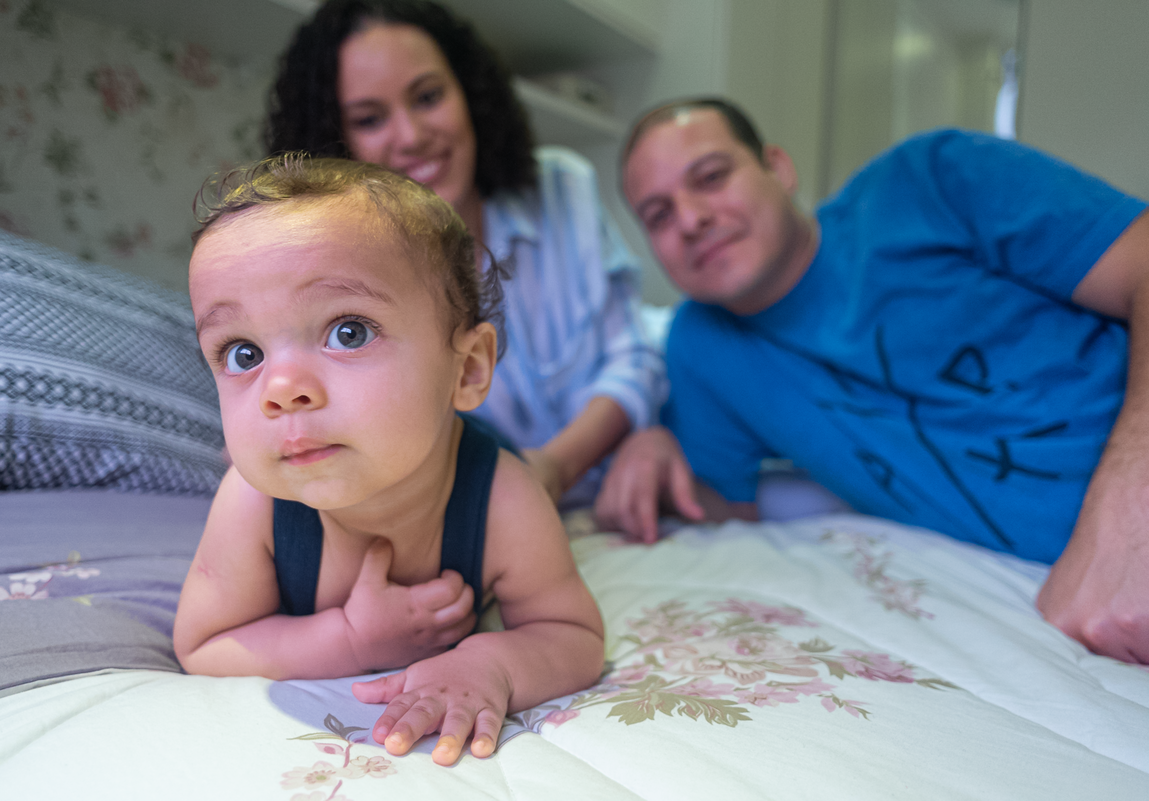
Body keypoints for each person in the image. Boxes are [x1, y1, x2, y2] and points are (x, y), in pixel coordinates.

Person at [597, 97, 1149, 665]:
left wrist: (1128, 517)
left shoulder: (932, 180)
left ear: (778, 169)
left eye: (711, 177)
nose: (690, 220)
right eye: (659, 215)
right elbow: (722, 508)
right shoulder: (701, 345)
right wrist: (652, 439)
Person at [173, 156, 605, 766]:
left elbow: (575, 636)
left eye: (348, 332)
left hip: (480, 460)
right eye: (243, 353)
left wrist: (492, 662)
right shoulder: (251, 502)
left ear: (468, 368)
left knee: (539, 482)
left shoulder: (502, 498)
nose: (281, 387)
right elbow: (204, 644)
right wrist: (349, 640)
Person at [263, 0, 666, 508]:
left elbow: (632, 358)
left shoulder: (565, 187)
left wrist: (553, 470)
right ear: (334, 146)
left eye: (428, 96)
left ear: (471, 93)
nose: (411, 136)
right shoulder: (335, 283)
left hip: (615, 489)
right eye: (370, 119)